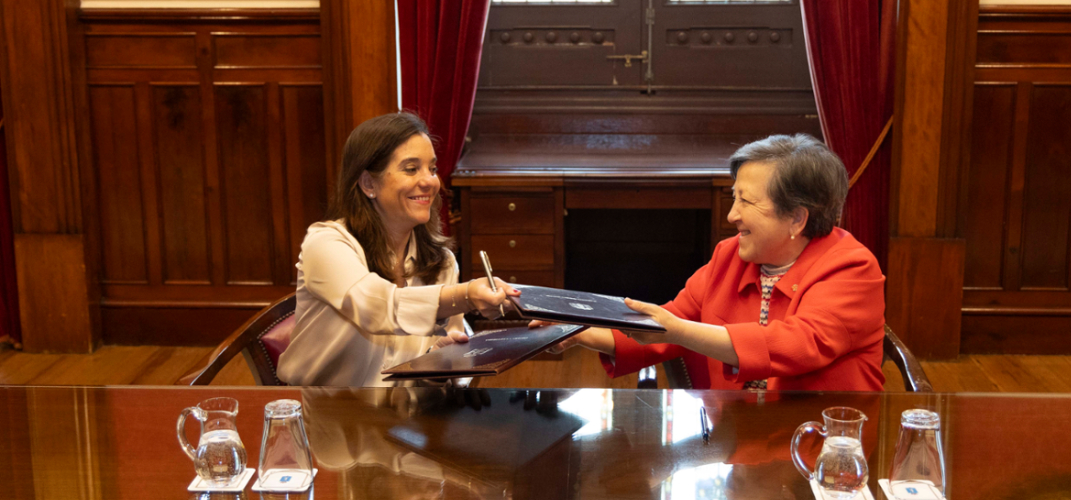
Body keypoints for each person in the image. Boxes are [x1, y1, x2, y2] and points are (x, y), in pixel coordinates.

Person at [544, 134, 885, 391]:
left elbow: (799, 344)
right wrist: (579, 331)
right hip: (737, 442)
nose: (732, 215)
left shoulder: (851, 269)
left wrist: (676, 329)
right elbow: (665, 327)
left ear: (797, 218)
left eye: (746, 202)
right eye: (734, 197)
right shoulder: (729, 256)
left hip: (824, 454)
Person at [278, 113, 518, 387]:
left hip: (402, 416)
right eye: (411, 169)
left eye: (432, 168)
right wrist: (465, 295)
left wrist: (443, 364)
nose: (429, 181)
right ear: (369, 184)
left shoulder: (442, 262)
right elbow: (374, 307)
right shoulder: (326, 244)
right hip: (317, 409)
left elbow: (452, 365)